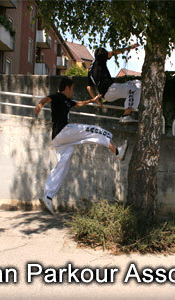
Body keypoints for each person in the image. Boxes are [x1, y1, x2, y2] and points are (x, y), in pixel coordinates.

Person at [34, 77, 128, 214]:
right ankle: (117, 152)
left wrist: (92, 100)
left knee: (63, 166)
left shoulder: (67, 101)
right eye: (71, 89)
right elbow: (46, 99)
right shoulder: (59, 96)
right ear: (67, 88)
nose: (72, 91)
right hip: (63, 132)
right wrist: (39, 105)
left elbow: (78, 104)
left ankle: (48, 196)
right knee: (93, 130)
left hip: (59, 140)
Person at [87, 44, 141, 124]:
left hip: (109, 92)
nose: (108, 57)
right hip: (110, 90)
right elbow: (113, 52)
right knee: (134, 90)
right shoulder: (100, 59)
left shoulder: (91, 69)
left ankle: (129, 108)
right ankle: (126, 115)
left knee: (136, 83)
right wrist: (130, 47)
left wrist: (96, 100)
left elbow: (88, 87)